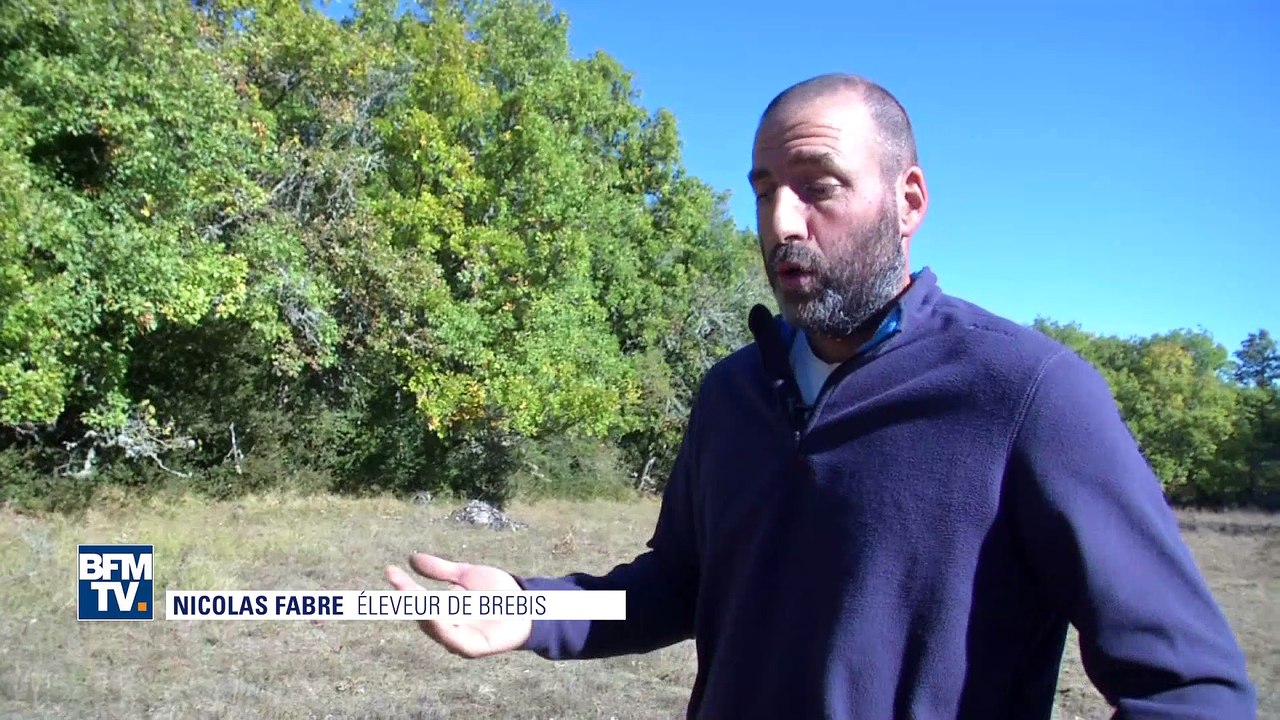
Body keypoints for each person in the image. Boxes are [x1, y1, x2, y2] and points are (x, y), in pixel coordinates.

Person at [385, 73, 1258, 719]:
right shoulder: (734, 392)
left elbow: (1191, 689)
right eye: (765, 192)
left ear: (907, 200)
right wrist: (530, 609)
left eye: (818, 185)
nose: (781, 224)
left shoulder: (1028, 394)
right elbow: (676, 587)